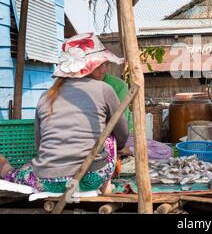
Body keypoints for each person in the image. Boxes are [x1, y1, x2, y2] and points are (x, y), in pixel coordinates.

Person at [0, 33, 128, 194]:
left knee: (18, 173)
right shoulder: (104, 90)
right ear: (89, 67)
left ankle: (5, 169)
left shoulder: (45, 96)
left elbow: (40, 146)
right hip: (90, 179)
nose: (104, 68)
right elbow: (122, 134)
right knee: (110, 135)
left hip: (48, 181)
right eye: (100, 64)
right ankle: (105, 184)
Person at [89, 62, 134, 133]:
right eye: (96, 67)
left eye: (105, 65)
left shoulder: (119, 85)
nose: (102, 71)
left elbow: (120, 121)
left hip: (120, 133)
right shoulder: (80, 86)